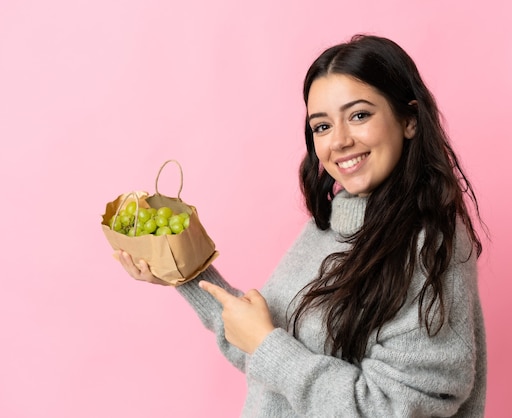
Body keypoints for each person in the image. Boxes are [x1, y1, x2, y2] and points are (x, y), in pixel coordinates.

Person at [117, 34, 487, 417]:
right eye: (322, 126)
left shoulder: (428, 246)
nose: (339, 141)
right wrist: (182, 270)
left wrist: (267, 345)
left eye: (359, 115)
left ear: (409, 120)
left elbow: (393, 408)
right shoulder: (328, 225)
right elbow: (267, 358)